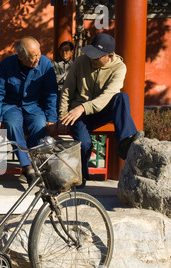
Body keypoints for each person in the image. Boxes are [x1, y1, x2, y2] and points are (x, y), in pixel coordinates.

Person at [59, 33, 144, 183]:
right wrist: (62, 116)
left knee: (121, 97)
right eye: (91, 54)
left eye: (96, 57)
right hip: (79, 114)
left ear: (109, 55)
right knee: (84, 144)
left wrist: (83, 107)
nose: (92, 59)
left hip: (101, 110)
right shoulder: (80, 62)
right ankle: (81, 177)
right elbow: (67, 90)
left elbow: (108, 95)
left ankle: (126, 141)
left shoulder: (119, 68)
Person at [0, 36, 58, 184]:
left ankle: (32, 162)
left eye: (39, 53)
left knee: (39, 125)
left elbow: (51, 93)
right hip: (12, 105)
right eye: (33, 57)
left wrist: (51, 118)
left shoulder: (45, 64)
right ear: (21, 57)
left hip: (34, 106)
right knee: (12, 125)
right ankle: (27, 167)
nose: (38, 58)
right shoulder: (7, 65)